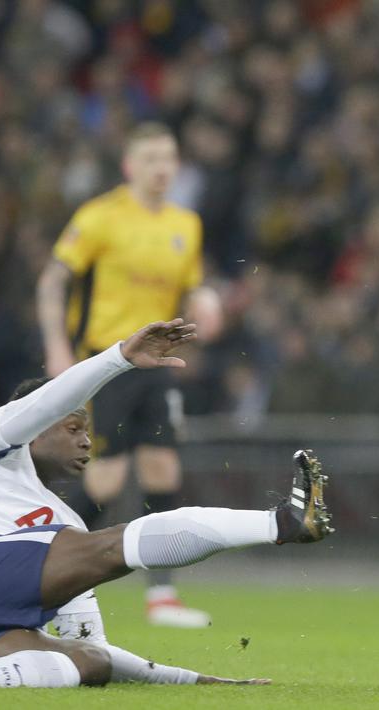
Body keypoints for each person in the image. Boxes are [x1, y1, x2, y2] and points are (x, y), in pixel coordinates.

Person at [0, 319, 333, 688]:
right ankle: (282, 523)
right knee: (110, 545)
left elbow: (95, 644)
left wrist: (197, 682)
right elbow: (51, 399)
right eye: (74, 428)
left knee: (89, 663)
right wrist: (119, 358)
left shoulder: (64, 524)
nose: (86, 442)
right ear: (36, 427)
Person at [37, 121, 224, 628]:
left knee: (164, 469)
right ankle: (45, 569)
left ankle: (161, 596)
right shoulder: (101, 216)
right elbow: (53, 281)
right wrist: (57, 346)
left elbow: (189, 288)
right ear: (129, 166)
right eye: (150, 159)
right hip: (107, 362)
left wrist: (203, 298)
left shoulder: (186, 224)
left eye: (168, 158)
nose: (161, 168)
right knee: (103, 481)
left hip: (158, 364)